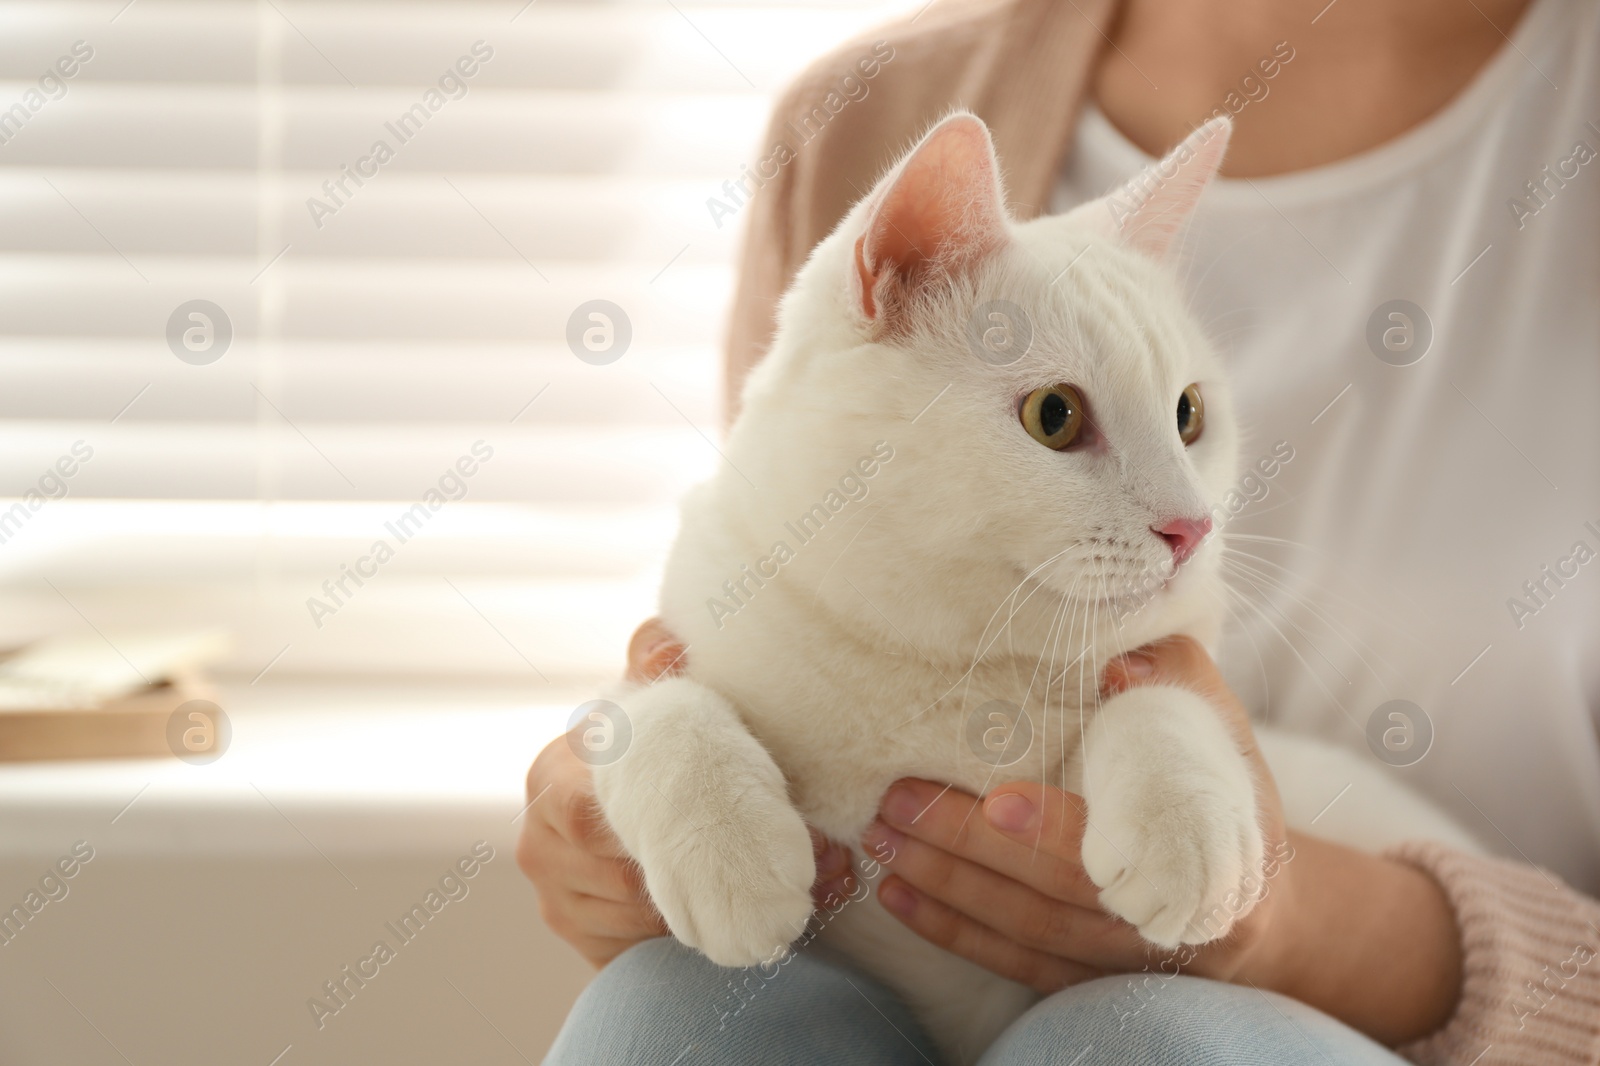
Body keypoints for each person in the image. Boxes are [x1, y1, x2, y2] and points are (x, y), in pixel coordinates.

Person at [524, 0, 1600, 1061]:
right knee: (670, 1011)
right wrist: (641, 821)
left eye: (1186, 421)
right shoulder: (859, 118)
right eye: (1056, 416)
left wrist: (1294, 924)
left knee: (1127, 1042)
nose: (1187, 516)